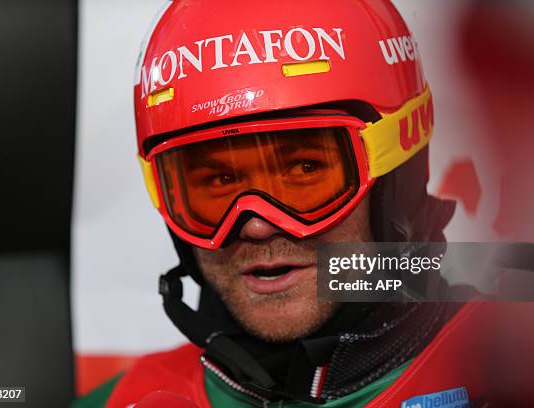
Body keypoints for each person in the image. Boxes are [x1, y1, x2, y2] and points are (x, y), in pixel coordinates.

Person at [74, 1, 503, 407]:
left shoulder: (530, 375)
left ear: (397, 175)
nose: (257, 226)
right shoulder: (123, 398)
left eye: (303, 170)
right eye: (219, 181)